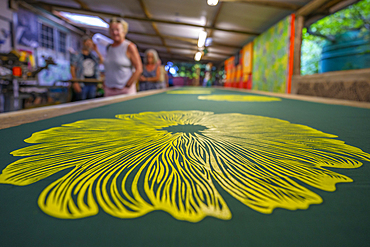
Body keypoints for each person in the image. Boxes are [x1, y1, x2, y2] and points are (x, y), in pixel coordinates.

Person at [104, 18, 142, 96]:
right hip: (109, 90)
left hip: (124, 90)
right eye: (112, 30)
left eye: (117, 30)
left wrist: (127, 85)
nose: (114, 33)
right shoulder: (108, 48)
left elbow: (139, 69)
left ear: (124, 31)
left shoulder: (129, 46)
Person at [70, 36, 103, 101]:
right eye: (87, 43)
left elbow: (101, 61)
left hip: (92, 83)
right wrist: (75, 82)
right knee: (81, 103)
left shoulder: (93, 56)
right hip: (82, 83)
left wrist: (96, 50)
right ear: (83, 43)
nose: (89, 45)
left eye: (90, 44)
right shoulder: (77, 55)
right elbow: (72, 68)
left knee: (91, 103)